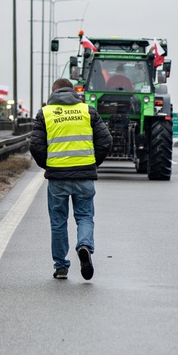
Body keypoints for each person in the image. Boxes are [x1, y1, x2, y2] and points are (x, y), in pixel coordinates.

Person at [30, 78, 112, 281]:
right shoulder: (87, 111)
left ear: (53, 92)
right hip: (84, 175)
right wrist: (92, 163)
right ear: (74, 91)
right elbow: (106, 140)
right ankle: (84, 245)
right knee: (84, 216)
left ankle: (60, 267)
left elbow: (35, 145)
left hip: (58, 177)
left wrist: (49, 165)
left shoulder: (45, 113)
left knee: (58, 221)